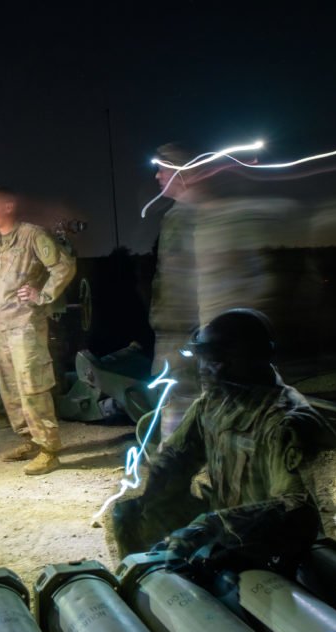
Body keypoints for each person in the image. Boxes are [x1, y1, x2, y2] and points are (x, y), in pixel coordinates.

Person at [112, 309, 335, 564]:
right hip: (222, 522)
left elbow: (298, 512)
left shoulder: (286, 422)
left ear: (247, 358)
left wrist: (214, 526)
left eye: (215, 358)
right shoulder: (216, 402)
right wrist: (155, 489)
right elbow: (177, 455)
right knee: (130, 516)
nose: (204, 368)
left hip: (270, 541)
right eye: (203, 358)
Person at [0, 186, 76, 475]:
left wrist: (42, 295)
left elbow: (63, 266)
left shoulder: (33, 235)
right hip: (3, 327)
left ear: (8, 206)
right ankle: (30, 440)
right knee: (10, 388)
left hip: (26, 326)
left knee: (32, 385)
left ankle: (49, 449)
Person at [149, 143, 204, 440]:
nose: (157, 176)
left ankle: (173, 464)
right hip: (176, 325)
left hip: (184, 326)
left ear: (183, 174)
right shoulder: (177, 214)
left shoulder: (188, 215)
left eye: (163, 169)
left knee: (179, 395)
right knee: (179, 394)